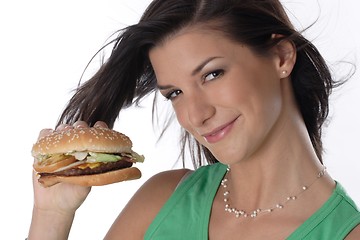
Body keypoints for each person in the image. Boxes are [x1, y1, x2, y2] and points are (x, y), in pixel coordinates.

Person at [27, 0, 360, 239]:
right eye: (175, 93)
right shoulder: (161, 201)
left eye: (212, 74)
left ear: (280, 56)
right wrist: (52, 214)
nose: (195, 116)